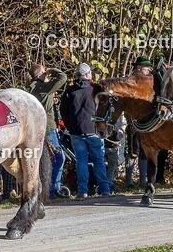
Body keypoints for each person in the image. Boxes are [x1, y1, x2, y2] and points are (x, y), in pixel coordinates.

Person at [59, 63, 112, 198]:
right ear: (88, 75)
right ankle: (105, 189)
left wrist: (70, 126)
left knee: (81, 162)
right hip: (94, 130)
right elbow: (105, 109)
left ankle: (83, 191)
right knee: (99, 160)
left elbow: (63, 111)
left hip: (76, 132)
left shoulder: (69, 91)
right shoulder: (96, 89)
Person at [28, 63, 68, 199]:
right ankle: (52, 188)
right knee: (59, 157)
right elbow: (63, 77)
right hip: (48, 128)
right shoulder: (44, 88)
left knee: (43, 159)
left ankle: (42, 189)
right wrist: (52, 70)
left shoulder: (32, 88)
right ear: (40, 75)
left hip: (38, 128)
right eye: (45, 72)